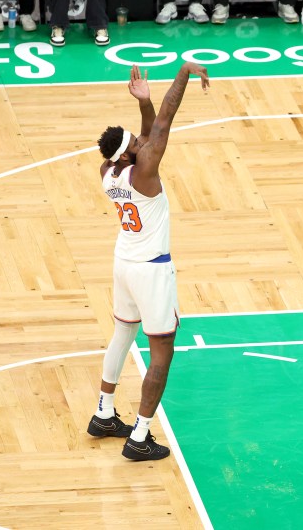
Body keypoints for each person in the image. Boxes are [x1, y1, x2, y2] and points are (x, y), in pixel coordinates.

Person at [90, 63, 210, 462]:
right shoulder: (144, 175)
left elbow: (145, 136)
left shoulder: (109, 172)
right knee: (162, 351)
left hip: (123, 262)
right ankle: (140, 436)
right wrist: (184, 72)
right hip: (151, 270)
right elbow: (162, 124)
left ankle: (104, 413)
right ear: (130, 155)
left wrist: (143, 102)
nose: (142, 143)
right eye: (135, 144)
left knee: (122, 335)